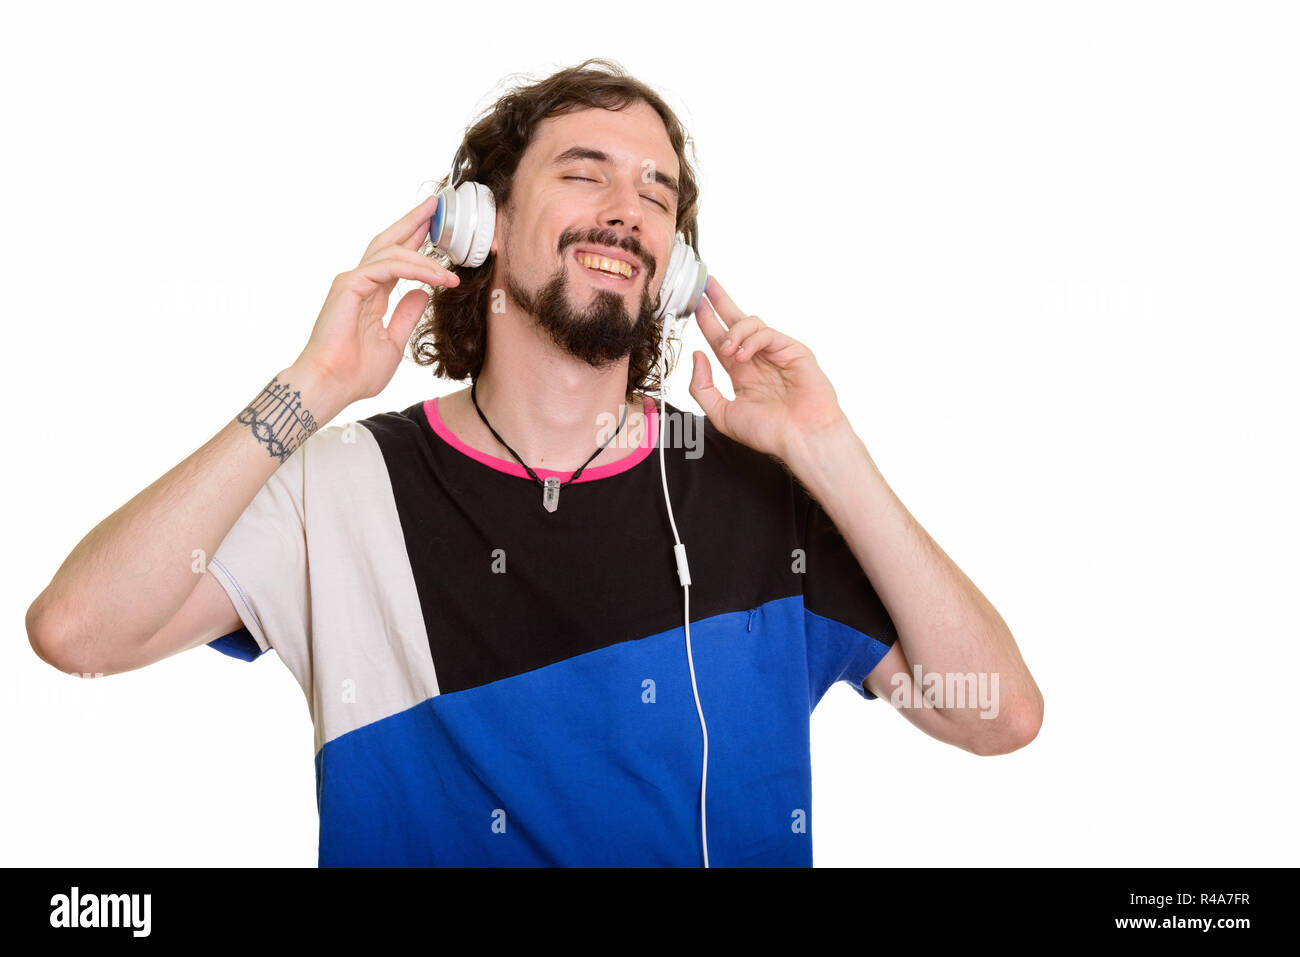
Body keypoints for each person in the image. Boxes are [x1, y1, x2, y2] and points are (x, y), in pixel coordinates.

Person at [25, 58, 1043, 867]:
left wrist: (833, 454)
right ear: (481, 223)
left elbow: (998, 717)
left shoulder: (759, 498)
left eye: (658, 192)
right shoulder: (339, 489)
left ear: (674, 269)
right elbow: (78, 633)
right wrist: (313, 387)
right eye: (583, 171)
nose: (628, 208)